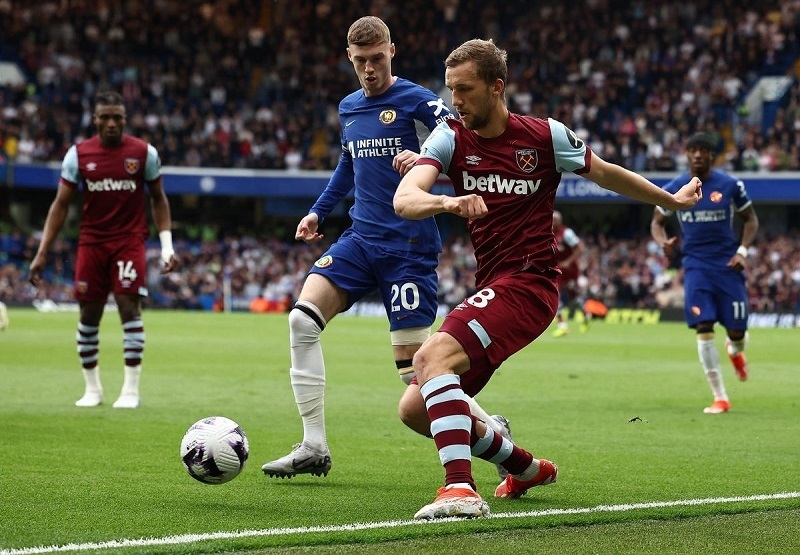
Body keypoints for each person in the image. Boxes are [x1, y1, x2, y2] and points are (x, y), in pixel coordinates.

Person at [393, 38, 702, 520]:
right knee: (415, 410)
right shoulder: (450, 138)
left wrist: (670, 200)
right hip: (494, 287)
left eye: (466, 90)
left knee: (430, 356)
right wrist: (448, 201)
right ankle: (529, 468)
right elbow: (405, 199)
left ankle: (459, 490)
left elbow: (607, 174)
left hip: (531, 284)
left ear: (497, 88)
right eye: (451, 89)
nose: (455, 101)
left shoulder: (544, 136)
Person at [261, 16, 511, 481]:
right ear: (349, 59)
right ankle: (313, 445)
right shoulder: (350, 107)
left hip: (408, 246)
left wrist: (423, 161)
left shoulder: (419, 100)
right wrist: (319, 210)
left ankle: (491, 427)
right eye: (361, 61)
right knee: (301, 320)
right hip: (359, 238)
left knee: (416, 374)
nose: (370, 69)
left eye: (377, 59)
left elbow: (464, 141)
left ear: (391, 51)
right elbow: (348, 163)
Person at [28, 91, 179, 409]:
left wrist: (167, 246)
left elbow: (159, 199)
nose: (111, 123)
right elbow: (60, 205)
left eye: (117, 117)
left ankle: (130, 391)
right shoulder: (78, 155)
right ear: (95, 120)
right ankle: (93, 390)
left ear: (125, 120)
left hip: (128, 241)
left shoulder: (143, 153)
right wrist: (42, 252)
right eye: (105, 117)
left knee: (128, 308)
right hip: (92, 243)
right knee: (88, 315)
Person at [651, 132, 758, 415]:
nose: (698, 155)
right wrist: (662, 242)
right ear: (686, 155)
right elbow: (657, 221)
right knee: (703, 326)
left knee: (737, 332)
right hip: (695, 265)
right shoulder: (675, 187)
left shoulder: (730, 185)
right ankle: (720, 397)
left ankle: (735, 352)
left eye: (703, 150)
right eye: (692, 150)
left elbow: (751, 220)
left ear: (712, 155)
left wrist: (743, 252)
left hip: (727, 266)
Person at [551, 210, 589, 337]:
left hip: (570, 270)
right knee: (555, 294)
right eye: (552, 219)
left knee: (574, 299)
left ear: (560, 221)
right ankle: (562, 326)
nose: (553, 222)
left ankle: (585, 316)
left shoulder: (566, 233)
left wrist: (568, 261)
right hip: (558, 270)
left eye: (555, 220)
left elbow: (580, 248)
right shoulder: (548, 232)